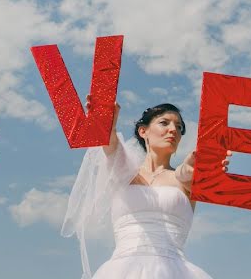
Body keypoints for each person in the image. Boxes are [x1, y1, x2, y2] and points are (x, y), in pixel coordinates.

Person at [62, 97, 231, 278]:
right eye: (164, 123)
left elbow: (186, 173)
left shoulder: (184, 179)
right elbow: (111, 147)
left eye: (179, 127)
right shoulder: (124, 174)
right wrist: (106, 123)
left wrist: (194, 168)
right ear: (143, 131)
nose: (173, 130)